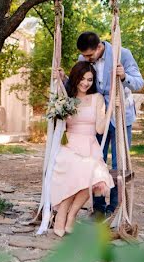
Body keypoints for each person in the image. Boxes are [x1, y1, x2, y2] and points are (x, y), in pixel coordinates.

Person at [76, 31, 144, 216]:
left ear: (99, 47)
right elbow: (77, 83)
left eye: (90, 55)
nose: (86, 59)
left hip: (120, 116)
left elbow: (139, 83)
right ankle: (98, 206)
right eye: (84, 56)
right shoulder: (83, 58)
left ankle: (114, 207)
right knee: (96, 161)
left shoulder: (122, 54)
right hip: (96, 117)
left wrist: (123, 77)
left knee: (118, 164)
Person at [47, 62, 114, 237]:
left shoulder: (97, 98)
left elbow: (100, 129)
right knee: (75, 170)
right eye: (82, 79)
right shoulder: (65, 98)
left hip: (90, 145)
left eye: (90, 79)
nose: (85, 83)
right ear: (76, 78)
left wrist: (110, 110)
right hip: (69, 144)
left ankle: (71, 215)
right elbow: (58, 126)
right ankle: (62, 213)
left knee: (92, 173)